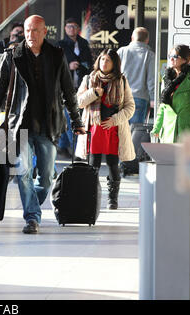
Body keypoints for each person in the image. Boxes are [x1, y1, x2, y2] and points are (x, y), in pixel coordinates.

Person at [0, 15, 85, 234]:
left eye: (35, 30)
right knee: (24, 172)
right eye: (27, 30)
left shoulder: (57, 56)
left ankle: (33, 207)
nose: (30, 35)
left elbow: (68, 91)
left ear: (45, 31)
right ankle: (32, 217)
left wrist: (76, 121)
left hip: (48, 126)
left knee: (47, 176)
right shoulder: (12, 55)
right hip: (20, 125)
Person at [74, 49, 135, 210]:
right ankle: (92, 198)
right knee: (93, 165)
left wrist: (115, 120)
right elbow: (78, 102)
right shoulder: (89, 79)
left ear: (114, 63)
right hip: (93, 129)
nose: (104, 63)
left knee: (113, 164)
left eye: (108, 60)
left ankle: (112, 200)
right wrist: (93, 93)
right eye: (102, 60)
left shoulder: (121, 80)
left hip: (113, 130)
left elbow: (130, 106)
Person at [57, 17, 94, 158]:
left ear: (78, 29)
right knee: (70, 116)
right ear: (65, 29)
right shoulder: (60, 44)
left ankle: (63, 145)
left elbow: (89, 63)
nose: (71, 29)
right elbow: (55, 64)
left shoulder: (84, 43)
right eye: (68, 26)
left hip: (81, 85)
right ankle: (76, 148)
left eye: (74, 26)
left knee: (74, 116)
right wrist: (69, 66)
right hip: (66, 85)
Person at [151, 44, 190, 142]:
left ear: (185, 59)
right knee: (169, 157)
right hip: (169, 130)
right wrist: (156, 128)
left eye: (175, 56)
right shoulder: (167, 79)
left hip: (189, 130)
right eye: (170, 56)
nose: (171, 59)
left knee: (188, 157)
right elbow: (163, 106)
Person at [117, 27, 155, 124]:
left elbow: (114, 73)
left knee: (120, 131)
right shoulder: (150, 55)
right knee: (135, 133)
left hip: (121, 96)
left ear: (132, 38)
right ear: (147, 40)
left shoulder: (122, 51)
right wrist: (153, 98)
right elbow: (151, 79)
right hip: (140, 97)